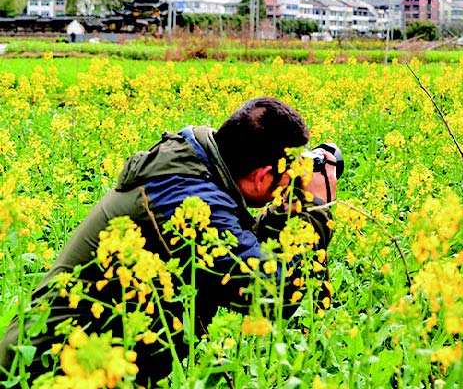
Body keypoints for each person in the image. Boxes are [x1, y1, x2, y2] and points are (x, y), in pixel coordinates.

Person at [0, 96, 339, 386]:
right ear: (263, 175)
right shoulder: (185, 198)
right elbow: (273, 297)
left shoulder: (196, 167)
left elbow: (242, 249)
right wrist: (316, 210)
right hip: (47, 373)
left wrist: (286, 210)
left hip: (95, 366)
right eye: (284, 175)